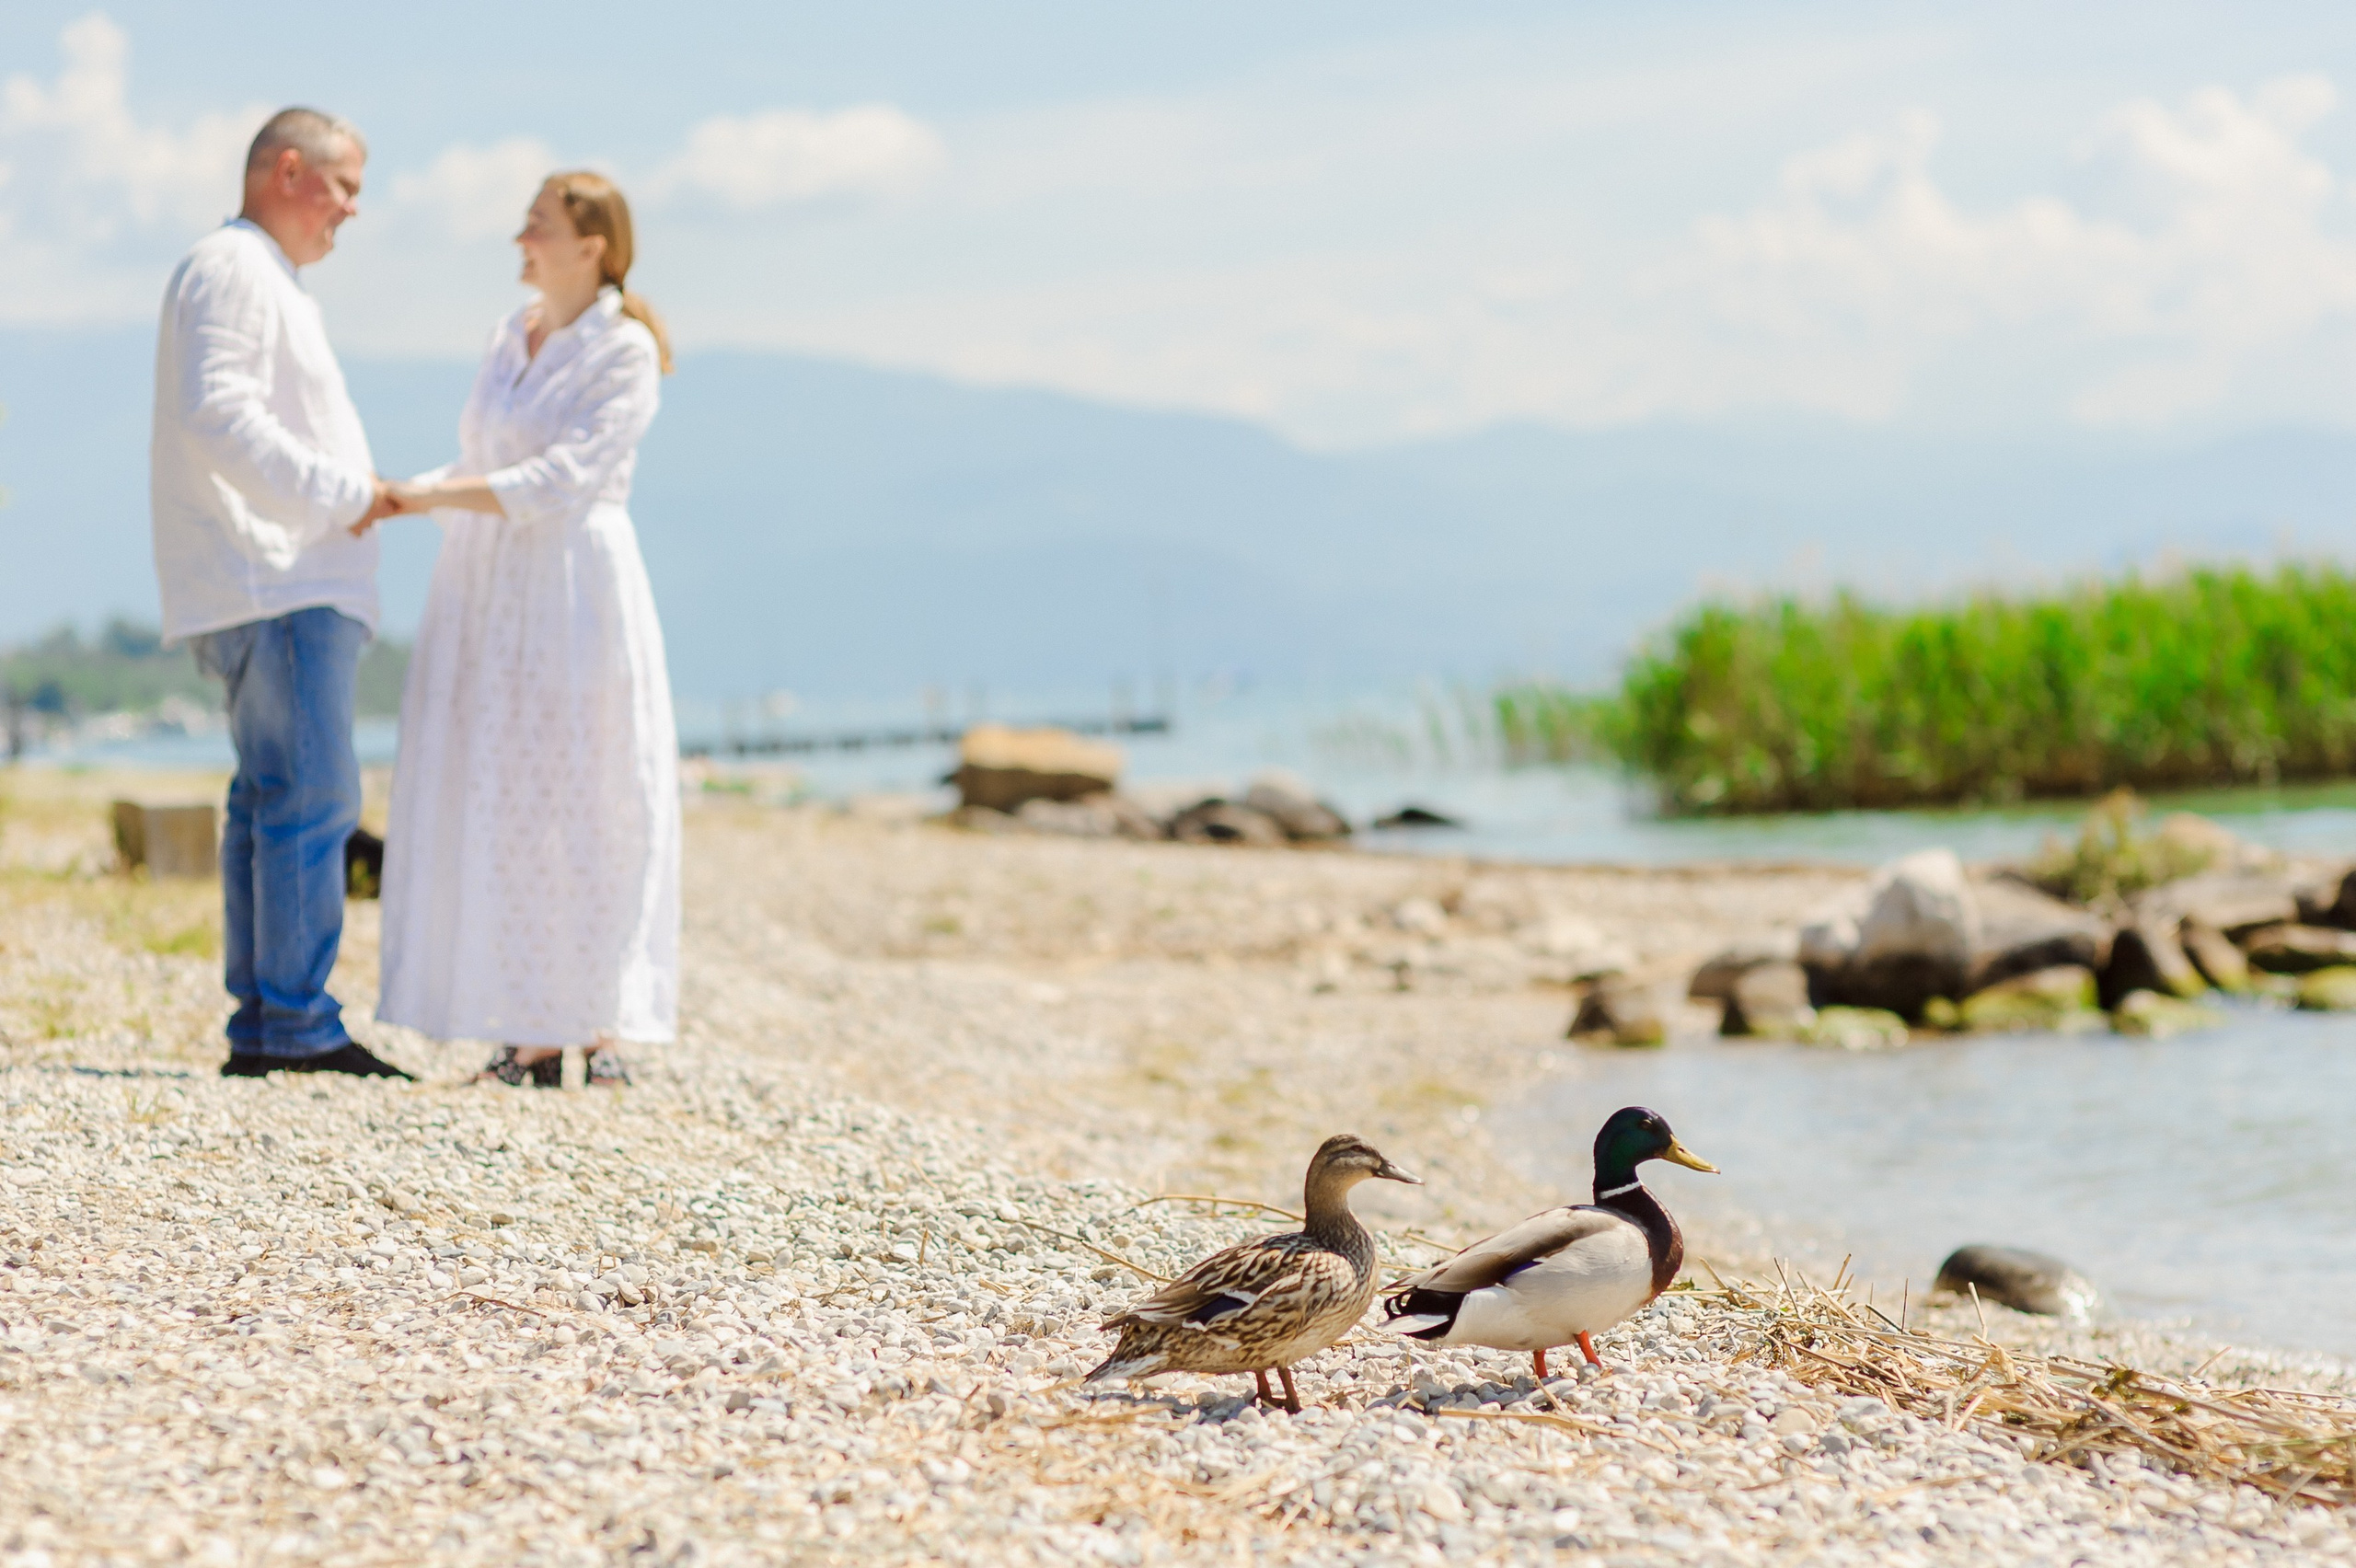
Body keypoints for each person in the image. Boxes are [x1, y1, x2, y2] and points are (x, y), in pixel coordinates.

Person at [365, 172, 681, 1088]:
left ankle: (596, 1020)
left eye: (537, 224)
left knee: (591, 793)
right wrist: (398, 493)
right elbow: (483, 464)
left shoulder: (622, 350)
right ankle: (529, 1022)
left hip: (574, 586)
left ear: (592, 244)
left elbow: (561, 479)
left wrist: (423, 497)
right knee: (506, 793)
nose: (520, 238)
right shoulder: (510, 337)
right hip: (492, 587)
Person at [152, 106, 412, 1080]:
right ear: (288, 170)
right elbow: (217, 412)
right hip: (278, 574)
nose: (350, 210)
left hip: (261, 575)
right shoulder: (238, 269)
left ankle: (266, 1022)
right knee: (310, 797)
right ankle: (294, 1025)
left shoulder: (252, 273)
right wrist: (345, 493)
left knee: (271, 798)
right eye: (344, 187)